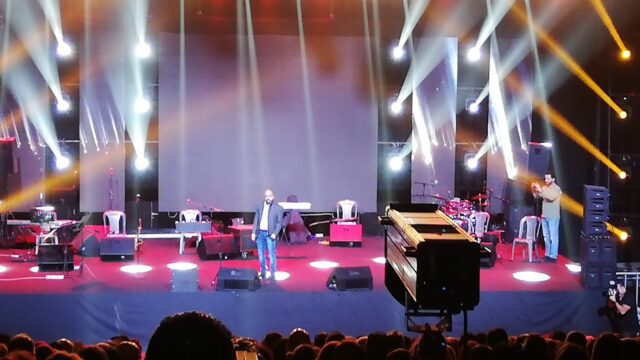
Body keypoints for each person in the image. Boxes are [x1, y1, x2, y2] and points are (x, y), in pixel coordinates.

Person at [251, 188, 283, 279]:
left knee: (271, 255)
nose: (268, 198)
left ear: (273, 197)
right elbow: (256, 219)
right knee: (261, 254)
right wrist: (253, 232)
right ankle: (263, 271)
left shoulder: (278, 208)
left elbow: (279, 223)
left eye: (269, 196)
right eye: (266, 196)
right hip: (260, 233)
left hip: (270, 234)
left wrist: (275, 233)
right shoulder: (259, 206)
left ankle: (272, 273)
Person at [531, 172, 562, 263]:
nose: (546, 181)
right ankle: (547, 254)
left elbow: (551, 197)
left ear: (553, 179)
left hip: (553, 216)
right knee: (546, 237)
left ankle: (553, 256)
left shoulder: (556, 188)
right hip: (544, 216)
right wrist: (533, 189)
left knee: (553, 236)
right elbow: (536, 196)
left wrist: (540, 190)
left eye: (548, 179)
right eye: (545, 179)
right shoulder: (544, 188)